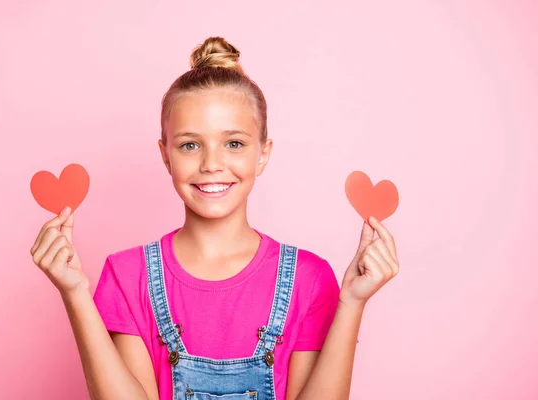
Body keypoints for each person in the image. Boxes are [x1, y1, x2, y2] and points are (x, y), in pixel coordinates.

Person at [29, 36, 400, 400]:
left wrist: (352, 303)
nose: (211, 164)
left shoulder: (309, 278)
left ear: (263, 154)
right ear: (165, 154)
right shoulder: (128, 277)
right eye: (190, 145)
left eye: (234, 143)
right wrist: (74, 294)